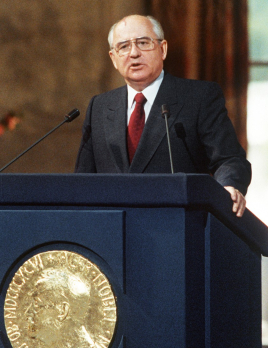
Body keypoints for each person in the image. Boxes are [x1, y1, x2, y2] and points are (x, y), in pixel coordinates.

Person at [75, 14, 251, 217]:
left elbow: (229, 159)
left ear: (163, 49)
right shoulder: (100, 106)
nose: (133, 53)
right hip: (111, 230)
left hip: (178, 225)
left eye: (143, 43)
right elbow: (82, 179)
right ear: (113, 59)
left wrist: (227, 187)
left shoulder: (199, 97)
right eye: (123, 46)